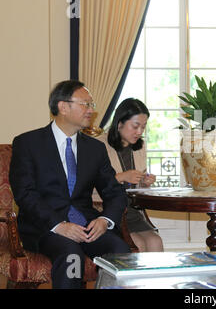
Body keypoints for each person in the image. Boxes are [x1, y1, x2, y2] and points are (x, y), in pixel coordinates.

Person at [9, 80, 131, 289]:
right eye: (86, 104)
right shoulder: (28, 144)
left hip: (86, 225)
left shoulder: (95, 149)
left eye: (91, 105)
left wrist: (105, 220)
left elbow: (114, 192)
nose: (91, 111)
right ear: (63, 107)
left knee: (119, 250)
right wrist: (59, 225)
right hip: (44, 227)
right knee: (70, 255)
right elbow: (25, 194)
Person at [94, 98, 163, 252]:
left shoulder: (140, 146)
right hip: (108, 210)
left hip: (133, 211)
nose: (139, 132)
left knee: (155, 241)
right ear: (119, 124)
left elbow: (136, 184)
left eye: (143, 127)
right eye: (135, 126)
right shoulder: (98, 145)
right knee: (137, 243)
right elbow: (89, 185)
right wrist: (122, 177)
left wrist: (145, 182)